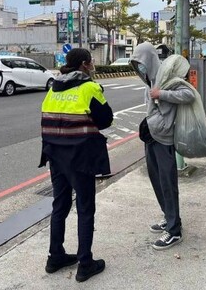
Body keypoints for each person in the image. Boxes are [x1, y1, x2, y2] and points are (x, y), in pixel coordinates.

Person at [39, 48, 113, 282]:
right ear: (83, 64)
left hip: (54, 153)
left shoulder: (54, 87)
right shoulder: (89, 87)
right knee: (85, 207)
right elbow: (105, 119)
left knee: (60, 205)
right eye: (90, 62)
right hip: (80, 155)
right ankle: (85, 263)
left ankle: (55, 256)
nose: (92, 65)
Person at [130, 42, 195, 250]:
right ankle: (169, 217)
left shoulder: (167, 77)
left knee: (167, 183)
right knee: (156, 180)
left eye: (140, 62)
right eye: (135, 63)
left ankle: (174, 231)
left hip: (164, 138)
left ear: (149, 59)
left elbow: (189, 94)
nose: (139, 66)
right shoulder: (149, 78)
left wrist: (162, 94)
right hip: (151, 136)